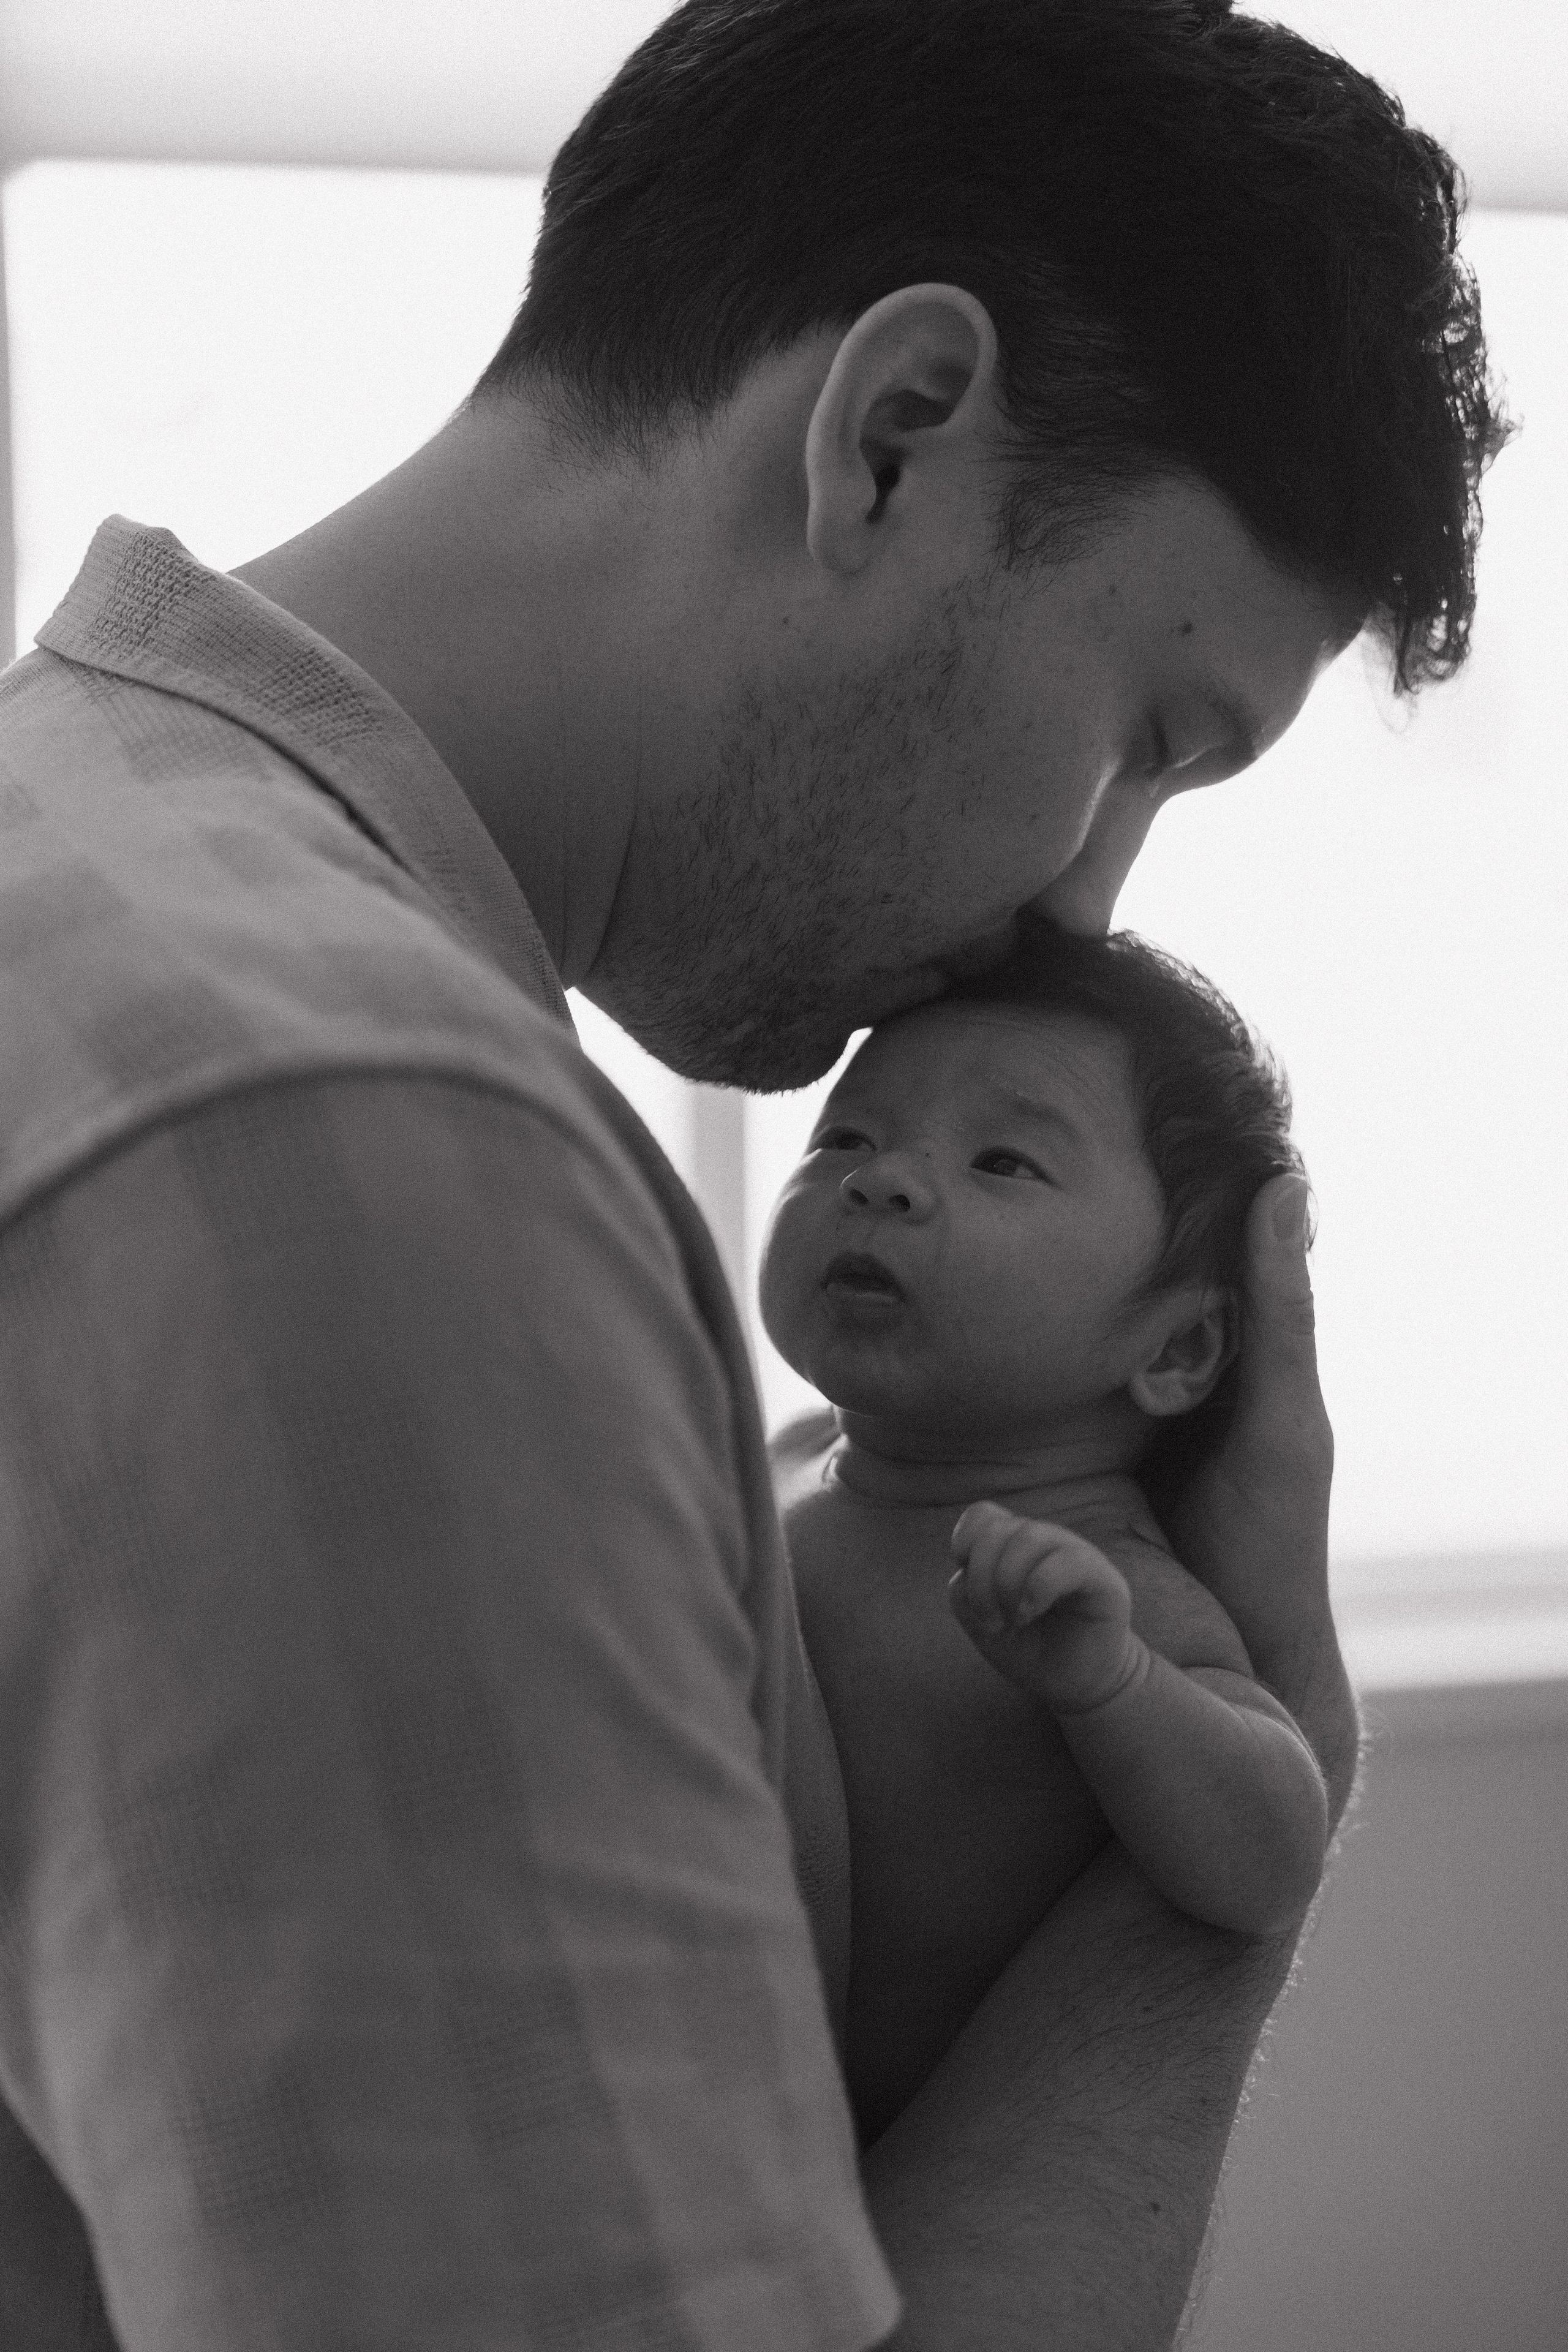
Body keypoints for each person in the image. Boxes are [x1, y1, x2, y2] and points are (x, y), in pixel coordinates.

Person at [0, 1, 1507, 2346]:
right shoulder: (360, 1143)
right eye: (1146, 736)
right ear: (895, 435)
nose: (1087, 908)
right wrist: (1247, 1818)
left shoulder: (78, 855)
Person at [762, 919, 1330, 2146]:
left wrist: (1113, 1684)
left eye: (1003, 1161)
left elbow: (1274, 1853)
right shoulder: (789, 1461)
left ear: (1177, 1346)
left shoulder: (1096, 1592)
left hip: (884, 2185)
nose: (880, 1180)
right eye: (845, 1137)